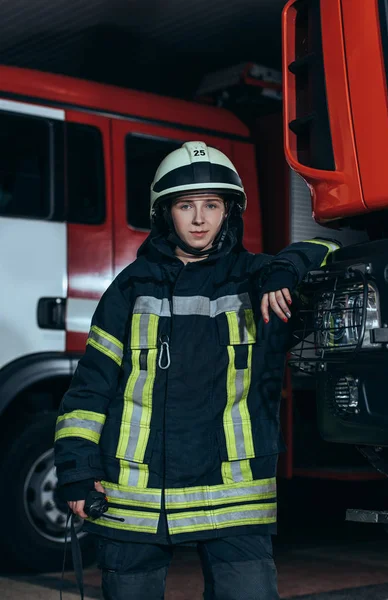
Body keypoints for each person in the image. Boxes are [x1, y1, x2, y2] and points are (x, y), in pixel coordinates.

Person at [54, 141, 339, 600]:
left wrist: (286, 268)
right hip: (135, 497)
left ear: (229, 211)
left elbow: (331, 247)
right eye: (186, 205)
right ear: (166, 213)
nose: (200, 218)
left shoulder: (258, 277)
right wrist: (75, 473)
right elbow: (89, 391)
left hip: (234, 500)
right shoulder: (130, 288)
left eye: (212, 205)